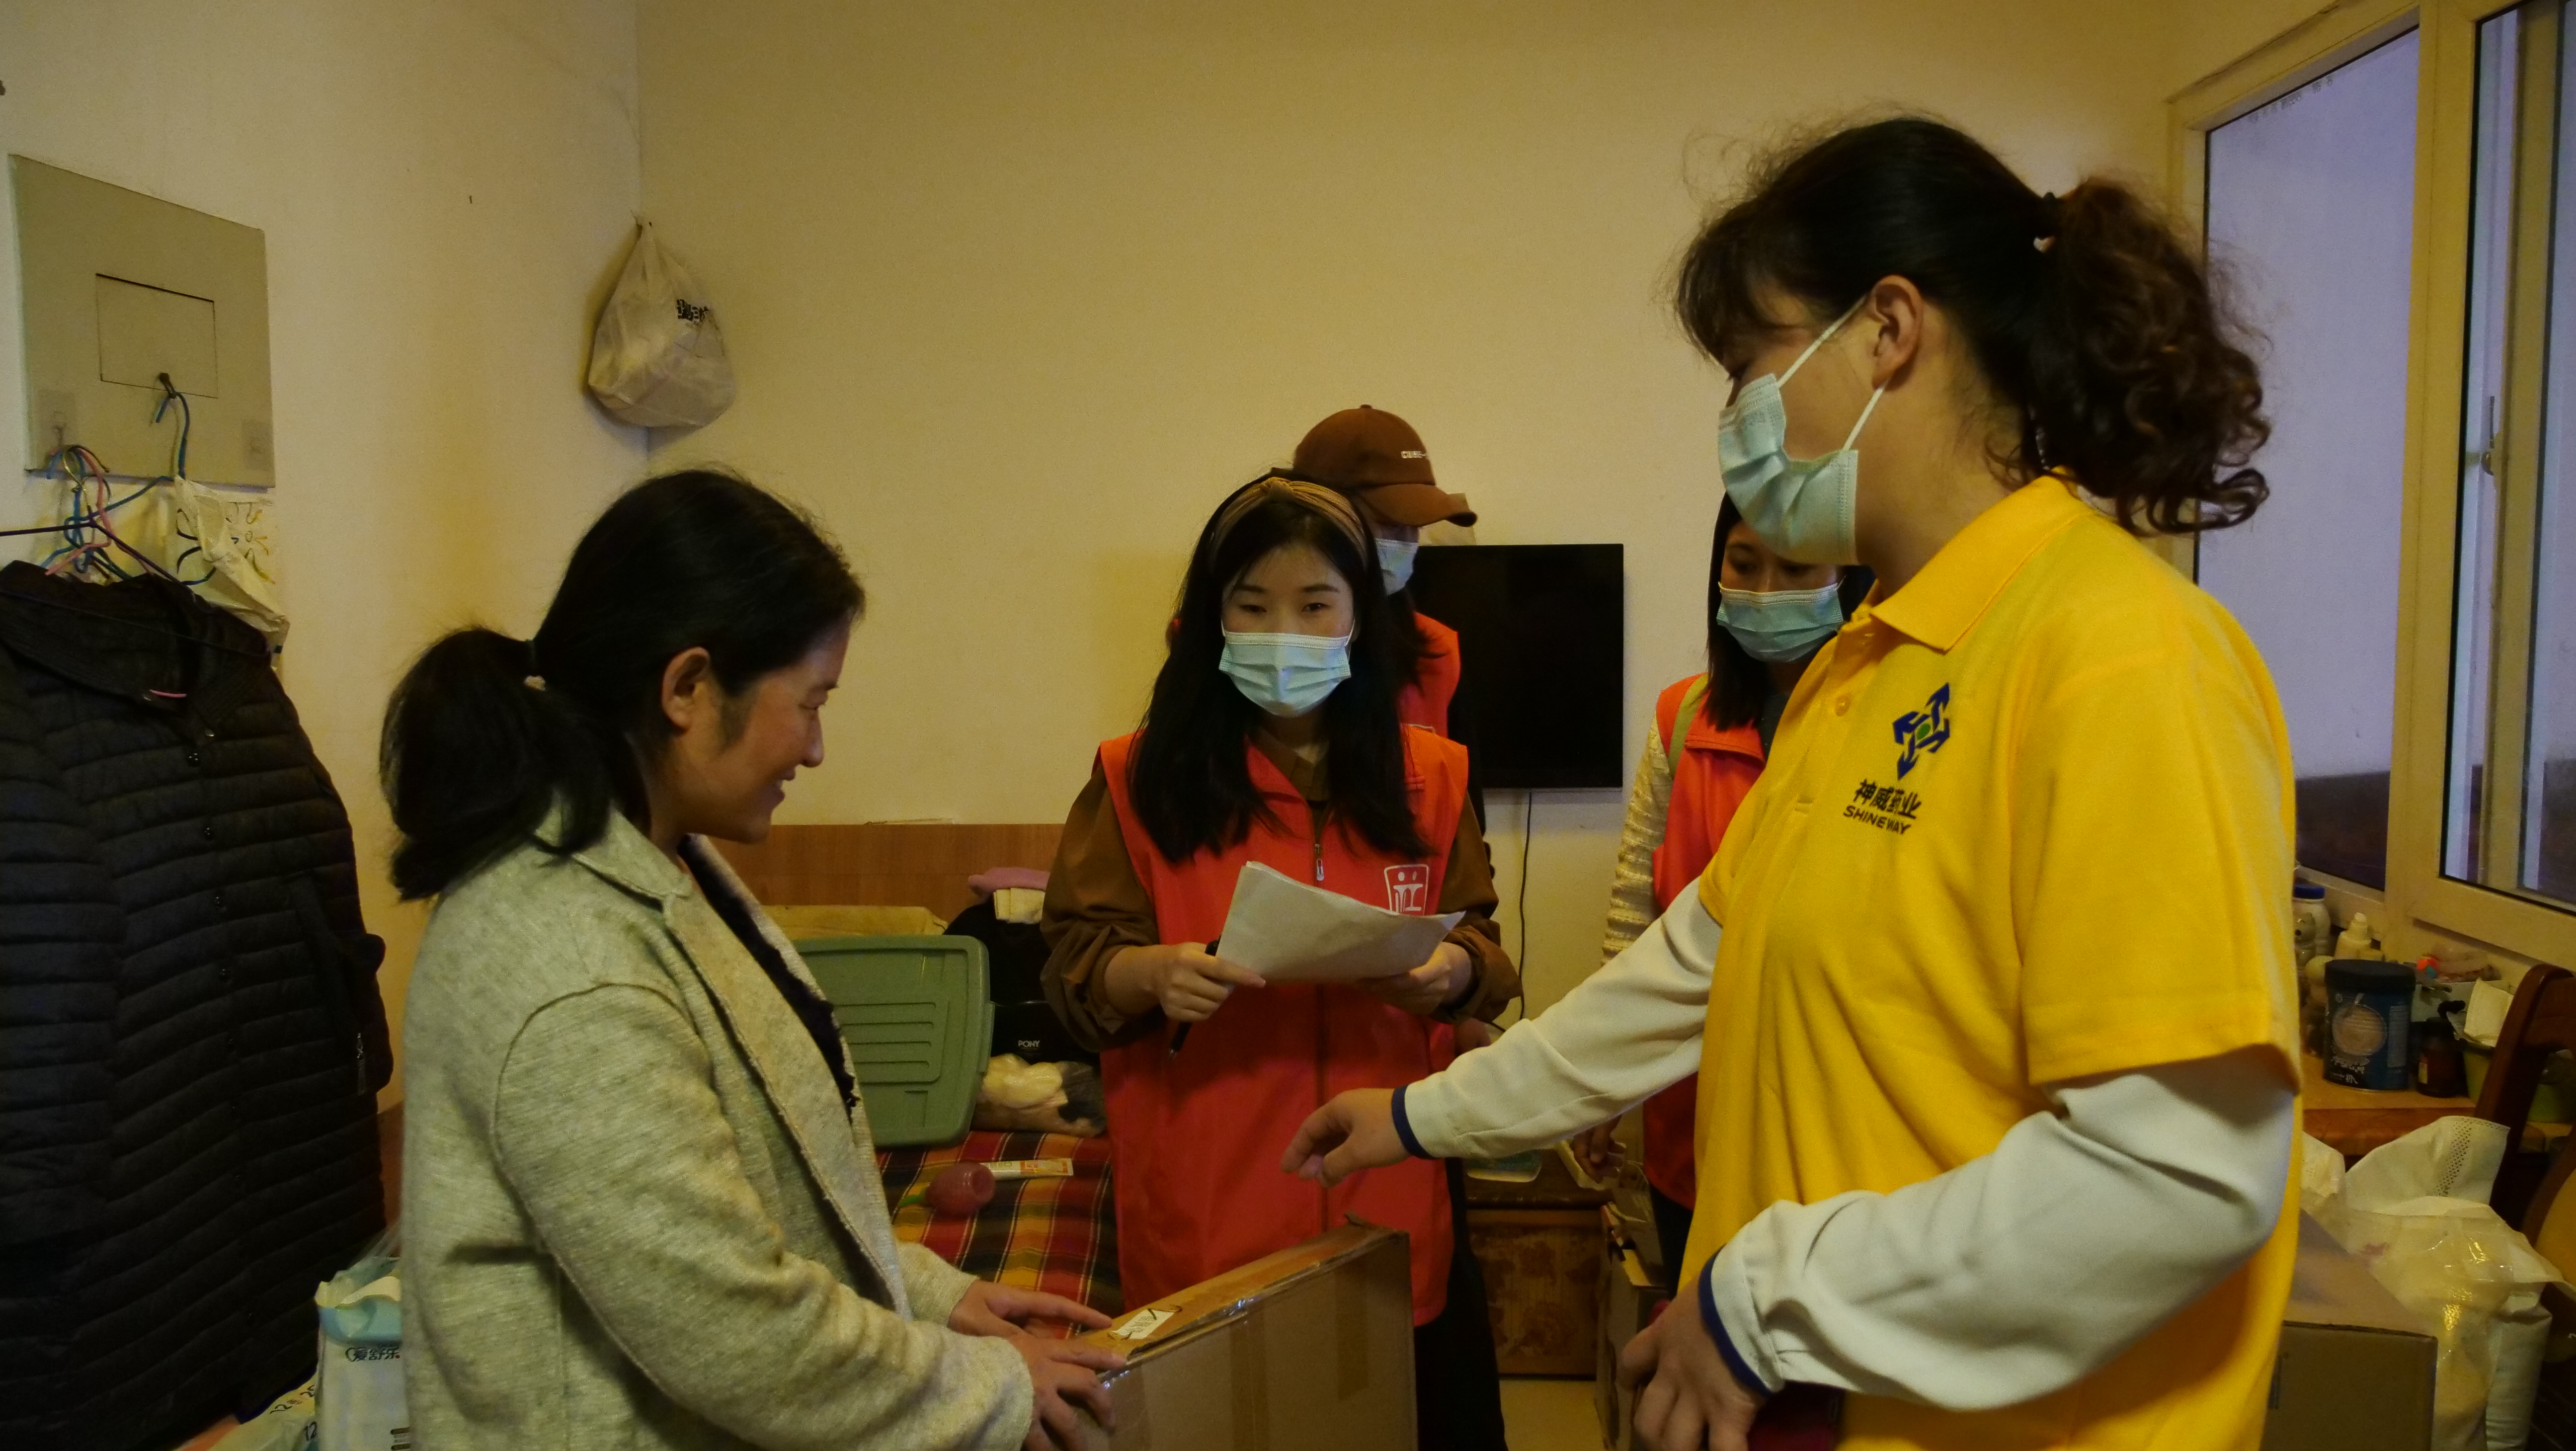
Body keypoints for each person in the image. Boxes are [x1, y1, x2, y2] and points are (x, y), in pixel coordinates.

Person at [1284, 116, 2299, 1451]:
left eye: (1751, 369)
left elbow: (2179, 1174)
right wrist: (1428, 1114)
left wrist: (1768, 1298)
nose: (1737, 426)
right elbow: (1692, 968)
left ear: (1889, 331)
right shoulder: (1866, 667)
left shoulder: (2121, 655)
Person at [387, 471, 1123, 1451]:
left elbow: (755, 1198)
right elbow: (731, 1326)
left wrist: (928, 1294)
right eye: (810, 702)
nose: (815, 749)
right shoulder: (566, 958)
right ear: (688, 688)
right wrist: (991, 1387)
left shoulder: (658, 860)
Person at [1041, 473, 1518, 1450]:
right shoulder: (1138, 776)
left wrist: (1452, 974)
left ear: (1361, 617)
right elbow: (1077, 968)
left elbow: (1482, 944)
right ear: (1210, 618)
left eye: (1314, 606)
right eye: (1252, 606)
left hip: (1385, 1203)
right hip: (1208, 1206)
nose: (1283, 634)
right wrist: (1153, 972)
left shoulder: (1432, 776)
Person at [1571, 495, 1864, 1285]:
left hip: (1832, 1134)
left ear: (1849, 577)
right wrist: (1602, 1082)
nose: (1766, 591)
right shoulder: (1684, 719)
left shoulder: (1890, 720)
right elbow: (1635, 916)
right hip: (1691, 1123)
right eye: (1744, 564)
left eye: (1796, 568)